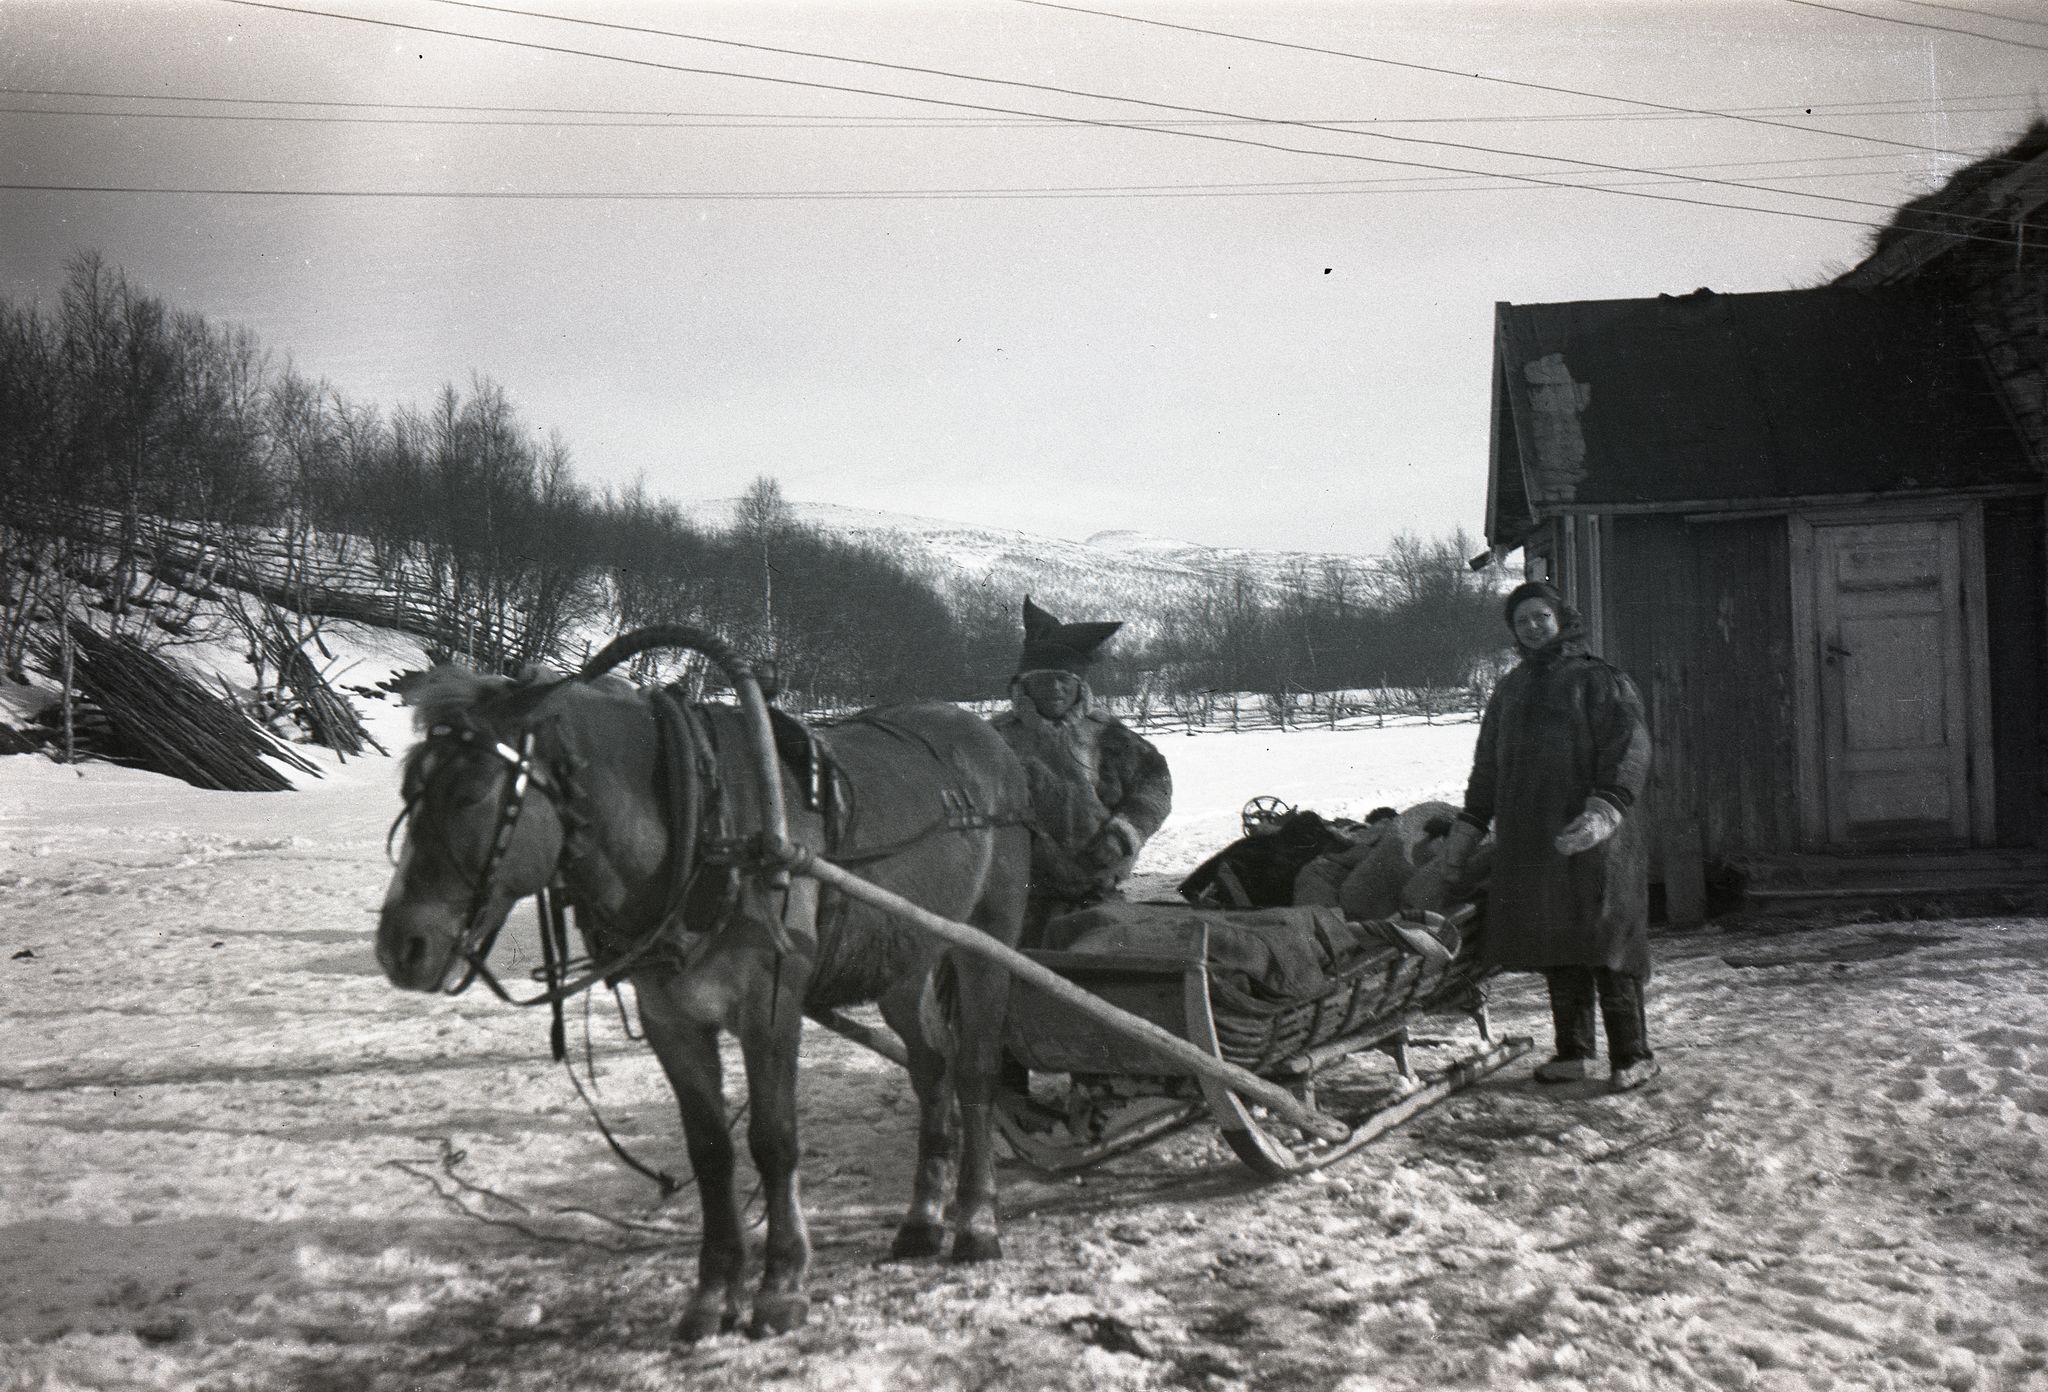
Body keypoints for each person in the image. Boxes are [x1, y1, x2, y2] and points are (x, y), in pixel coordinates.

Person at [1440, 580, 1659, 1093]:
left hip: (1597, 837)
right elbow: (1488, 766)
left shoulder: (1600, 680)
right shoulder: (1511, 689)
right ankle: (1575, 1053)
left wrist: (1605, 810)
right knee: (1558, 939)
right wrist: (1467, 832)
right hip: (1533, 838)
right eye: (1523, 621)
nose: (1533, 626)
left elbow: (1630, 748)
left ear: (1561, 618)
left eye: (1541, 616)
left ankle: (1634, 1054)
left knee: (1608, 938)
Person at [990, 598, 1173, 945]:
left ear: (1079, 685)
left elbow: (1155, 783)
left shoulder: (1108, 735)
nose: (1056, 689)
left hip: (1096, 886)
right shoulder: (995, 738)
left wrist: (1123, 835)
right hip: (1015, 894)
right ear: (1024, 686)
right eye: (1044, 680)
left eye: (1064, 680)